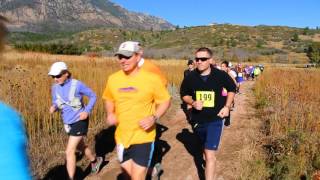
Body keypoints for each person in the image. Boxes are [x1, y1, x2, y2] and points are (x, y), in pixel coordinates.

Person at [102, 41, 171, 179]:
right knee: (127, 175)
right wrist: (110, 113)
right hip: (122, 136)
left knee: (137, 177)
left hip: (143, 136)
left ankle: (150, 170)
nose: (123, 60)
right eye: (120, 57)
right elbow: (108, 98)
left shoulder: (151, 79)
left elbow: (165, 100)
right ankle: (153, 171)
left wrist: (154, 117)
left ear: (138, 57)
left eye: (127, 56)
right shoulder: (113, 79)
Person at [180, 47, 236, 180]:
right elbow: (184, 94)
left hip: (215, 119)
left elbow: (232, 89)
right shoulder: (190, 77)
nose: (199, 61)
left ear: (210, 60)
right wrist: (193, 102)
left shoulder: (220, 75)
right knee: (203, 150)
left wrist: (227, 106)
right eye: (197, 59)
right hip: (197, 120)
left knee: (209, 154)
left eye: (203, 59)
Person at [48, 61, 102, 180]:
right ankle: (95, 160)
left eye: (57, 76)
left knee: (69, 151)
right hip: (67, 122)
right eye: (53, 76)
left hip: (80, 120)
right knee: (81, 146)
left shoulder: (77, 84)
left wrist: (86, 111)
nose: (55, 79)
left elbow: (93, 96)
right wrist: (54, 107)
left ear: (66, 73)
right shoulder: (54, 88)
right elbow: (56, 102)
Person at [220, 61, 237, 127]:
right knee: (221, 104)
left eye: (223, 66)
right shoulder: (219, 74)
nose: (222, 68)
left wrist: (234, 90)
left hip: (227, 92)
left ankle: (227, 121)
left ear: (227, 67)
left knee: (227, 105)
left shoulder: (229, 74)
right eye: (221, 66)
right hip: (221, 92)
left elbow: (234, 82)